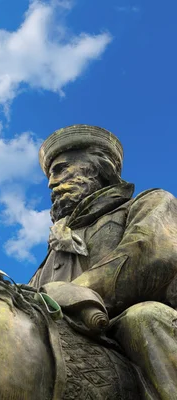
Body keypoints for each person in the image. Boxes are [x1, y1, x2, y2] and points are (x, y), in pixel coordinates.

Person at [29, 124, 177, 399]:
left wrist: (73, 292)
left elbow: (150, 255)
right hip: (63, 326)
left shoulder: (150, 202)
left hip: (132, 319)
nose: (51, 183)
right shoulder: (56, 246)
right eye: (51, 174)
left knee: (145, 319)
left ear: (99, 168)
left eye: (60, 169)